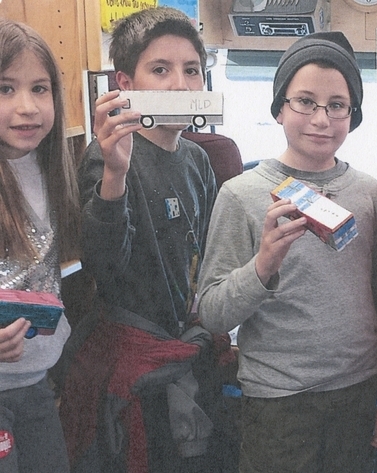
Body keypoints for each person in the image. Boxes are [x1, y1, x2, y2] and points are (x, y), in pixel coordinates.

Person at [196, 31, 377, 473]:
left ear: (353, 115)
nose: (321, 118)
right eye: (304, 101)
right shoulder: (242, 194)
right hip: (277, 401)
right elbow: (212, 313)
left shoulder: (368, 195)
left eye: (337, 105)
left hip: (356, 392)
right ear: (279, 108)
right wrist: (263, 265)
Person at [57, 7, 222, 472]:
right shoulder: (107, 157)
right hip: (132, 364)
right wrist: (116, 171)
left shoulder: (197, 159)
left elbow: (206, 255)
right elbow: (103, 268)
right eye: (160, 70)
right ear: (126, 84)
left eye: (192, 71)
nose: (180, 85)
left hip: (187, 349)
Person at [0, 19, 81, 473]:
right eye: (6, 89)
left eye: (40, 88)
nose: (27, 107)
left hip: (36, 381)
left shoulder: (48, 167)